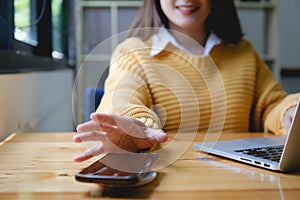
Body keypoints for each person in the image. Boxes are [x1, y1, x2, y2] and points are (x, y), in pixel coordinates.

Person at [73, 0, 299, 163]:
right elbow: (120, 99)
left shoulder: (244, 53)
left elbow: (271, 104)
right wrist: (134, 126)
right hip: (171, 177)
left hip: (244, 177)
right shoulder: (133, 52)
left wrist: (289, 112)